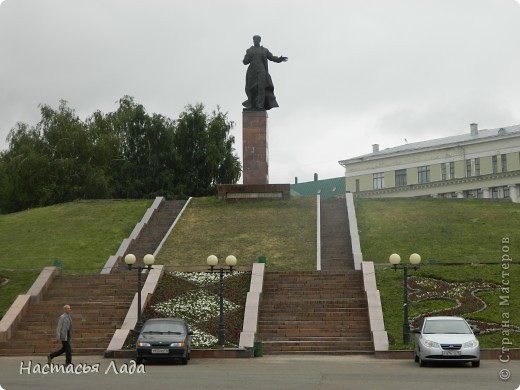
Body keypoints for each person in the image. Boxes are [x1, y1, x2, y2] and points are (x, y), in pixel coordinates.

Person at [242, 35, 288, 111]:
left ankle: (260, 105)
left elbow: (272, 57)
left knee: (261, 88)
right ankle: (250, 104)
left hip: (261, 71)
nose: (255, 41)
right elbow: (245, 62)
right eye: (254, 39)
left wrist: (279, 59)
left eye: (257, 39)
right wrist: (249, 55)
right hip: (251, 71)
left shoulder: (264, 50)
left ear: (259, 40)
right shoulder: (250, 50)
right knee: (249, 88)